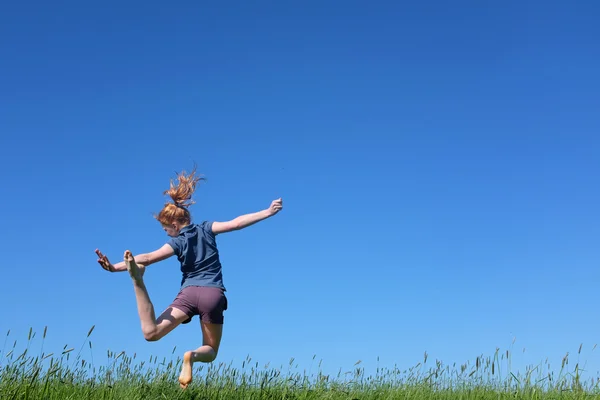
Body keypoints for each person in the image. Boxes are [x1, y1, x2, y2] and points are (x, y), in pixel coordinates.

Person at [94, 167, 283, 389]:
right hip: (212, 294)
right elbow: (237, 223)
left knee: (151, 332)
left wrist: (115, 268)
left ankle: (138, 280)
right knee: (210, 352)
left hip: (189, 293)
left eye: (166, 230)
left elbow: (147, 257)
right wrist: (267, 212)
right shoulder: (207, 228)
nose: (166, 233)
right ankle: (191, 357)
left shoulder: (177, 241)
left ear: (174, 226)